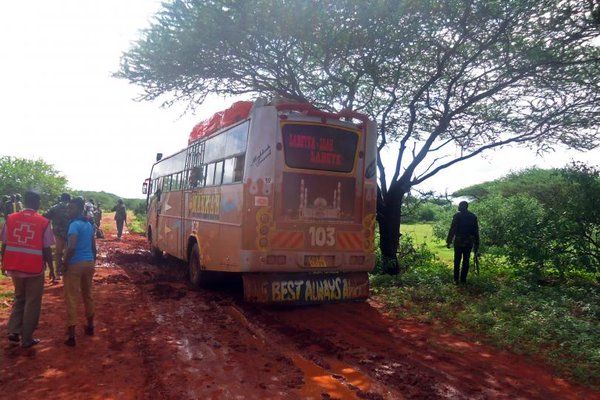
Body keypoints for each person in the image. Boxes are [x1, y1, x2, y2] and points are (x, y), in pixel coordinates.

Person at [0, 190, 55, 348]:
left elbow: (4, 243)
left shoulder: (11, 218)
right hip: (34, 268)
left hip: (15, 266)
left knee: (19, 297)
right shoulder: (43, 222)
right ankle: (27, 338)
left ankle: (13, 330)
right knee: (32, 302)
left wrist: (3, 263)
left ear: (24, 201)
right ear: (37, 203)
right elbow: (46, 249)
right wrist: (51, 269)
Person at [62, 197, 97, 347]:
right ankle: (90, 326)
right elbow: (94, 247)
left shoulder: (74, 226)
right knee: (87, 294)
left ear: (78, 209)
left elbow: (71, 247)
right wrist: (92, 262)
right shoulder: (89, 225)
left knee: (71, 297)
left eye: (71, 208)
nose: (68, 211)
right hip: (88, 263)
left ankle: (71, 336)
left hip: (75, 264)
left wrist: (64, 263)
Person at [446, 201, 480, 284]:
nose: (458, 207)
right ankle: (463, 280)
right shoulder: (473, 216)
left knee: (457, 260)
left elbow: (452, 229)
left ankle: (456, 279)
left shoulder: (457, 216)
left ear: (462, 206)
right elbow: (476, 231)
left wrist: (449, 241)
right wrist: (477, 242)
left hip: (459, 241)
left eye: (459, 205)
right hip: (469, 242)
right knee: (466, 260)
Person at [44, 193, 72, 283]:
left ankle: (57, 274)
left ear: (61, 198)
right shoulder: (72, 208)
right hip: (71, 233)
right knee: (69, 253)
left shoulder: (55, 207)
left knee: (58, 253)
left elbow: (45, 216)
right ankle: (68, 273)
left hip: (58, 233)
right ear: (69, 199)